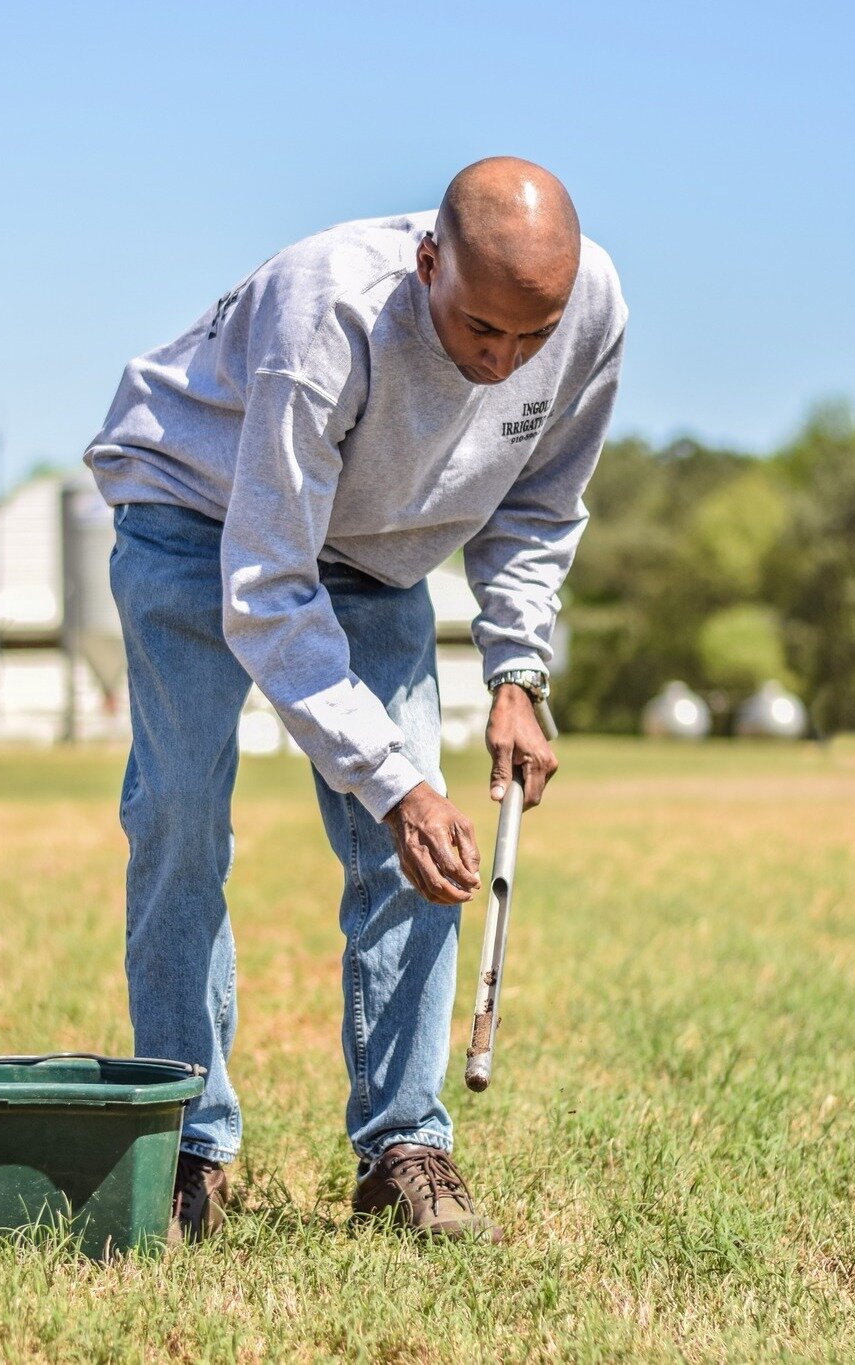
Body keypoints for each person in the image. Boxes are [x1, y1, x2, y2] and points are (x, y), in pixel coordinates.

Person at [83, 157, 627, 1244]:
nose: (504, 362)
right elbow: (268, 590)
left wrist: (518, 672)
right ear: (428, 263)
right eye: (481, 329)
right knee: (181, 818)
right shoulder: (323, 309)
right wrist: (392, 782)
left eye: (534, 336)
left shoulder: (588, 307)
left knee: (423, 852)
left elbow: (538, 505)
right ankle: (188, 1146)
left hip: (379, 547)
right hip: (200, 509)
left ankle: (404, 1149)